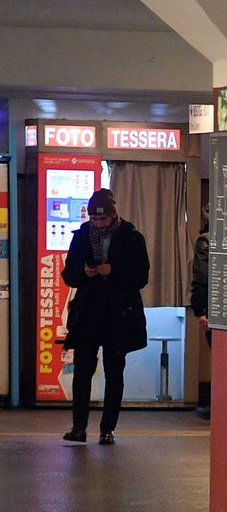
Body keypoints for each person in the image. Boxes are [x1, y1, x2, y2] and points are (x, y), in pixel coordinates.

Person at [61, 189, 149, 445]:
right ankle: (79, 427)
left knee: (114, 372)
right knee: (82, 370)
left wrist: (113, 271)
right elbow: (69, 274)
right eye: (94, 219)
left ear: (113, 216)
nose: (97, 224)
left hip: (119, 314)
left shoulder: (132, 237)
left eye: (102, 220)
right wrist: (84, 272)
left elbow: (141, 276)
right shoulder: (81, 237)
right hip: (89, 312)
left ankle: (107, 428)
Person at [189, 215, 211, 419]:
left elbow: (201, 277)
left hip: (213, 309)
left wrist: (200, 310)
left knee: (219, 357)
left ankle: (216, 406)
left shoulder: (205, 241)